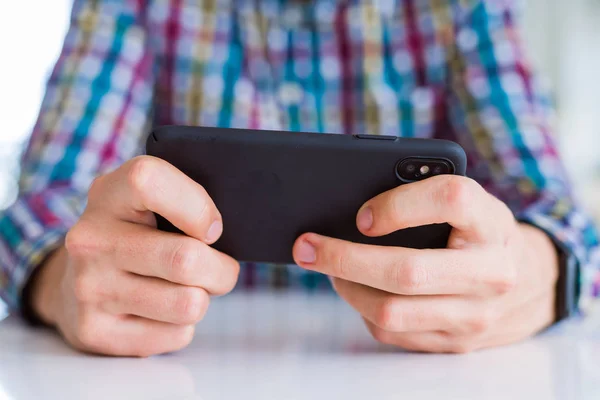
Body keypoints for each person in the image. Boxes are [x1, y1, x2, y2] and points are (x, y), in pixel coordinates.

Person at [1, 0, 598, 357]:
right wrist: (62, 281)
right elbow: (43, 207)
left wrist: (539, 270)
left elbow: (564, 221)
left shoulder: (465, 8)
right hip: (184, 369)